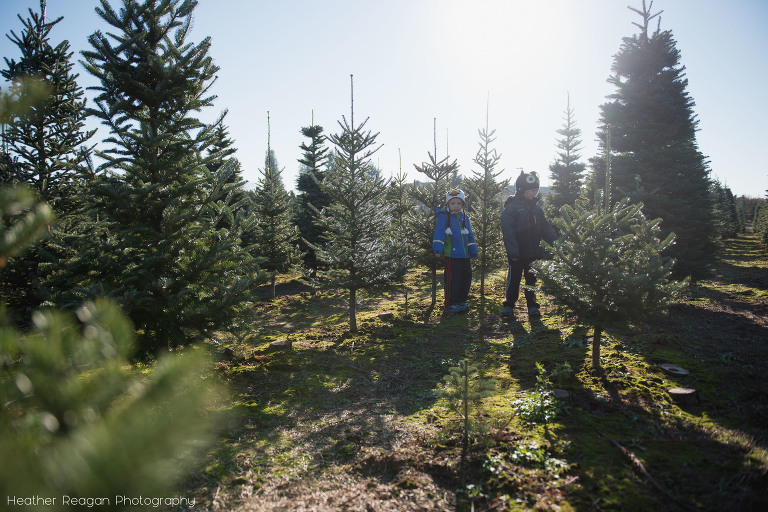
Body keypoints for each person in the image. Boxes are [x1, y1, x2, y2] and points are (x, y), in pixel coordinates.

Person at [500, 171, 557, 319]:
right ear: (521, 190)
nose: (534, 193)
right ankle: (509, 305)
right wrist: (513, 252)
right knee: (514, 279)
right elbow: (508, 233)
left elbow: (546, 229)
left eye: (536, 190)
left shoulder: (537, 210)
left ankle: (532, 305)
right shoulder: (511, 209)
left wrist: (557, 245)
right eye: (531, 190)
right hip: (517, 253)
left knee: (531, 280)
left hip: (533, 252)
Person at [433, 188, 478, 313]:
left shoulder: (464, 217)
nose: (456, 206)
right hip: (452, 255)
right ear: (448, 204)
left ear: (463, 204)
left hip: (465, 255)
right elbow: (439, 232)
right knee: (453, 280)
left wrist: (473, 250)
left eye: (459, 203)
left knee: (466, 278)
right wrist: (437, 249)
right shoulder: (444, 217)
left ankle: (461, 302)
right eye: (453, 203)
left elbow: (470, 235)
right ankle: (450, 304)